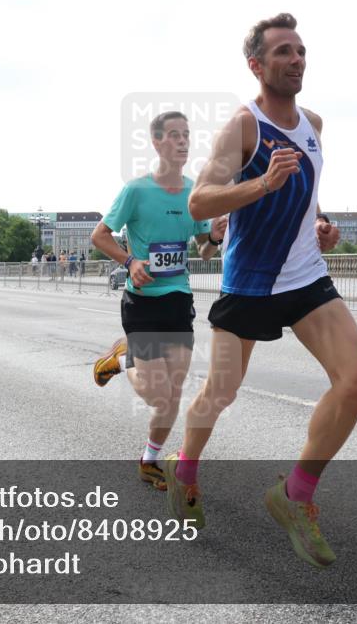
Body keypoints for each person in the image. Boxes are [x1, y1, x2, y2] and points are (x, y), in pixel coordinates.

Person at [161, 13, 357, 569]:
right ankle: (184, 467)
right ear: (257, 65)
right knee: (221, 392)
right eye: (283, 51)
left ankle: (296, 493)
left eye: (301, 51)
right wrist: (261, 183)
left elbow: (305, 195)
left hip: (306, 277)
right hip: (250, 283)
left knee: (356, 384)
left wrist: (322, 225)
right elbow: (199, 202)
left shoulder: (314, 124)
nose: (297, 59)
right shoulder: (243, 127)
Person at [90, 111, 227, 490]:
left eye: (186, 135)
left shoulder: (193, 191)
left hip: (178, 300)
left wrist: (213, 237)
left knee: (172, 395)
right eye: (174, 135)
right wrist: (130, 260)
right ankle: (121, 358)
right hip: (143, 303)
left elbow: (203, 254)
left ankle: (149, 460)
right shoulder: (136, 191)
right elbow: (99, 235)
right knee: (155, 394)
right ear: (156, 143)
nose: (182, 142)